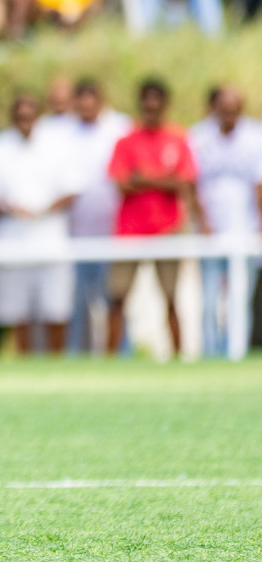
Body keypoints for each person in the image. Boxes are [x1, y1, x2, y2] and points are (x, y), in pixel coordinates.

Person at [0, 94, 79, 355]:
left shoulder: (58, 145)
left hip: (51, 243)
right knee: (18, 315)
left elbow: (72, 189)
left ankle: (56, 366)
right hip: (11, 245)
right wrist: (11, 208)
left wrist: (42, 211)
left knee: (56, 311)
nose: (24, 122)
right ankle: (27, 366)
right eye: (20, 117)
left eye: (29, 117)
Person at [107, 78, 208, 355]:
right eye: (147, 103)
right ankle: (108, 358)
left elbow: (185, 183)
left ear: (165, 104)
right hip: (130, 231)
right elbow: (122, 184)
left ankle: (178, 356)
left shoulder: (178, 138)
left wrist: (145, 178)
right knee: (118, 297)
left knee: (171, 298)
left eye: (156, 103)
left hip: (167, 229)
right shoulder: (126, 140)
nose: (151, 108)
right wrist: (165, 179)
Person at [54, 80, 131, 354]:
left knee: (114, 298)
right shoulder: (62, 133)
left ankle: (122, 354)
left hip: (112, 231)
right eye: (81, 102)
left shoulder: (120, 127)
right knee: (75, 302)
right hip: (73, 233)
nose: (86, 107)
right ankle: (76, 355)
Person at [187, 85, 262, 358]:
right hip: (209, 232)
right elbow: (192, 185)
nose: (229, 116)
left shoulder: (255, 136)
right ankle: (210, 353)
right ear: (214, 108)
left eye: (234, 110)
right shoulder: (198, 136)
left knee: (239, 299)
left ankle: (236, 352)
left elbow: (259, 185)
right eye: (224, 110)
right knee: (208, 300)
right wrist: (203, 223)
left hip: (245, 229)